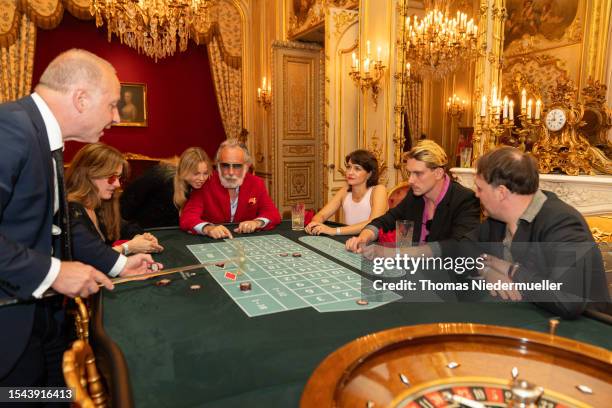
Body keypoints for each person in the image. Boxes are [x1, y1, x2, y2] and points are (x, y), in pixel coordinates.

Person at [0, 49, 159, 387]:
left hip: (43, 317)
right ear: (82, 98)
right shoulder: (11, 127)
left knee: (58, 397)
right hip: (10, 329)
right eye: (112, 104)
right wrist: (55, 272)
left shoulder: (45, 138)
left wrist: (120, 264)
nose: (116, 116)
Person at [453, 147, 610, 318]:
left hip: (583, 330)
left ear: (501, 192)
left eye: (480, 188)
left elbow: (567, 301)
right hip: (528, 318)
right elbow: (463, 247)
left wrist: (510, 270)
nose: (476, 194)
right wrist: (486, 270)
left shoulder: (563, 222)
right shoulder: (498, 219)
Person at [346, 140, 480, 252]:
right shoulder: (415, 196)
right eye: (410, 173)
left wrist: (398, 254)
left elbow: (457, 246)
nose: (410, 180)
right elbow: (387, 219)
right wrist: (364, 237)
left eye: (418, 173)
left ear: (438, 173)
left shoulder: (465, 199)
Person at [66, 143, 164, 255]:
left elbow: (125, 227)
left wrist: (142, 237)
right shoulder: (71, 211)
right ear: (90, 174)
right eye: (112, 177)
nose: (117, 184)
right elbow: (90, 257)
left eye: (118, 178)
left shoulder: (99, 203)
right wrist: (127, 247)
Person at [180, 139, 281, 239]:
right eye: (225, 165)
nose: (231, 172)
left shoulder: (256, 183)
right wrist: (208, 228)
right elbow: (187, 218)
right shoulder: (205, 182)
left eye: (237, 166)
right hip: (212, 243)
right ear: (218, 165)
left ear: (246, 166)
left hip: (245, 244)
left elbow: (273, 213)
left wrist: (257, 222)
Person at [120, 147, 212, 228]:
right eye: (196, 173)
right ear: (184, 169)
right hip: (142, 231)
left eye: (205, 173)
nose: (201, 178)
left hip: (167, 232)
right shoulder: (161, 177)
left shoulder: (194, 186)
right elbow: (128, 201)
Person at [305, 149, 388, 236]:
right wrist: (315, 224)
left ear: (369, 174)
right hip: (349, 240)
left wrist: (334, 230)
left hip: (373, 242)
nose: (350, 172)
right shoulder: (344, 191)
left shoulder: (378, 190)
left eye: (357, 169)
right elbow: (321, 215)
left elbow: (373, 224)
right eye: (348, 167)